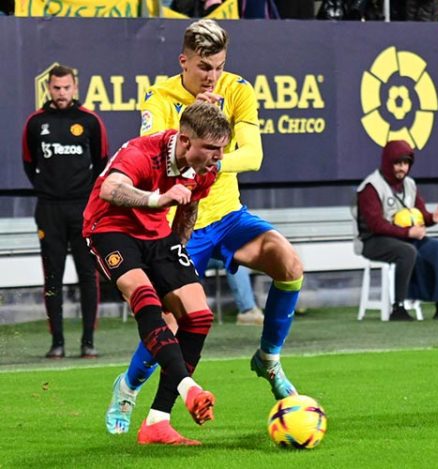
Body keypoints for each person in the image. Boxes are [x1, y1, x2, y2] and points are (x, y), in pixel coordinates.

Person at [105, 19, 303, 435]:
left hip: (228, 215)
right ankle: (128, 386)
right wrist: (201, 130)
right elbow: (159, 156)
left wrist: (210, 158)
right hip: (181, 225)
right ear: (184, 61)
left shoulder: (238, 90)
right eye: (202, 67)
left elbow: (253, 156)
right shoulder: (159, 98)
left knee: (289, 263)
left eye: (218, 65)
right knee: (171, 321)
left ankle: (268, 359)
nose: (211, 76)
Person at [84, 101, 229, 445]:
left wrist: (175, 264)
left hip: (157, 236)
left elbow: (188, 209)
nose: (217, 157)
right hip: (109, 227)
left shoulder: (208, 169)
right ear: (184, 140)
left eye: (221, 149)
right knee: (145, 296)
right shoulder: (142, 151)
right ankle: (187, 388)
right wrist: (157, 200)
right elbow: (110, 189)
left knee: (199, 316)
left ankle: (157, 422)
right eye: (210, 148)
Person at [22, 65, 108, 359]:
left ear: (75, 88)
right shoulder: (36, 123)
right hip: (48, 210)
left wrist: (83, 196)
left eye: (66, 88)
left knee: (88, 275)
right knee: (52, 278)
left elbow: (101, 164)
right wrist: (48, 190)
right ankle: (57, 342)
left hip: (83, 209)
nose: (61, 93)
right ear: (48, 88)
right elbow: (27, 162)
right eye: (56, 88)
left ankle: (88, 342)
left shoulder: (90, 122)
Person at [354, 140, 438, 322]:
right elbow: (375, 224)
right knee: (407, 252)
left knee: (437, 247)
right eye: (398, 163)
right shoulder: (371, 187)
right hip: (373, 241)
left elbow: (420, 213)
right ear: (388, 163)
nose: (402, 168)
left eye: (406, 164)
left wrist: (432, 218)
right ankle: (398, 308)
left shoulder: (409, 185)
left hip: (402, 238)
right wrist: (408, 234)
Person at [206, 258, 264, 325]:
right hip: (194, 255)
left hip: (213, 256)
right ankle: (194, 313)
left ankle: (248, 311)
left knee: (236, 260)